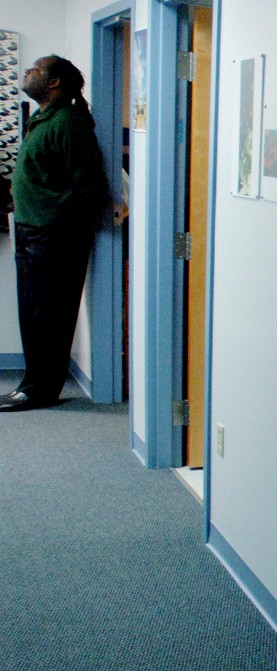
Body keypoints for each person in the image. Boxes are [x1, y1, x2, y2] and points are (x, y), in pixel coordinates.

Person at [0, 55, 108, 412]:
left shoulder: (68, 122)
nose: (28, 71)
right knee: (33, 313)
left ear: (54, 83)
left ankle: (40, 390)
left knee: (49, 315)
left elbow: (89, 186)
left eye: (36, 69)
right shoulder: (43, 118)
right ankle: (32, 384)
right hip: (33, 232)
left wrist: (52, 218)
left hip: (54, 236)